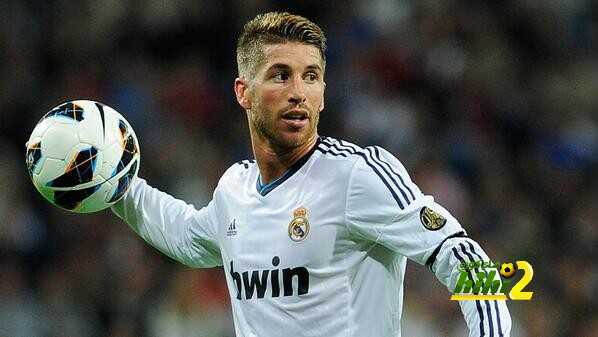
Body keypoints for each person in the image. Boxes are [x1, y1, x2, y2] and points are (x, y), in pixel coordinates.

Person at [113, 11, 511, 337]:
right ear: (243, 92)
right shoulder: (234, 189)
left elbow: (462, 255)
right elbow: (187, 237)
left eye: (311, 76)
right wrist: (118, 185)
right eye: (280, 74)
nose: (298, 92)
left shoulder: (357, 175)